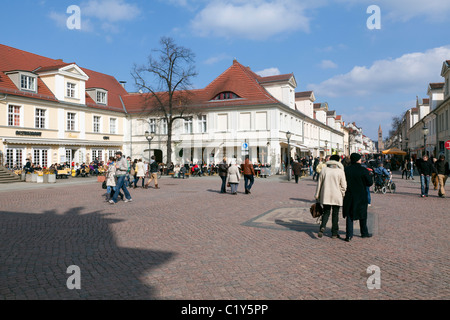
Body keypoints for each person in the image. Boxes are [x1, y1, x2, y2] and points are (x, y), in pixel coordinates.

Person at [343, 153, 373, 242]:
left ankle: (349, 235)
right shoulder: (363, 170)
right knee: (363, 214)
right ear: (358, 160)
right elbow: (370, 183)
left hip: (350, 194)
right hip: (361, 195)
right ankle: (364, 233)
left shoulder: (346, 170)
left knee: (349, 215)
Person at [314, 154, 347, 239]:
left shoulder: (324, 170)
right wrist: (342, 193)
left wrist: (317, 195)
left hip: (326, 195)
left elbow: (319, 184)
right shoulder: (340, 171)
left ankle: (322, 227)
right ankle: (334, 233)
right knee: (335, 214)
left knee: (326, 212)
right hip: (337, 195)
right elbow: (344, 185)